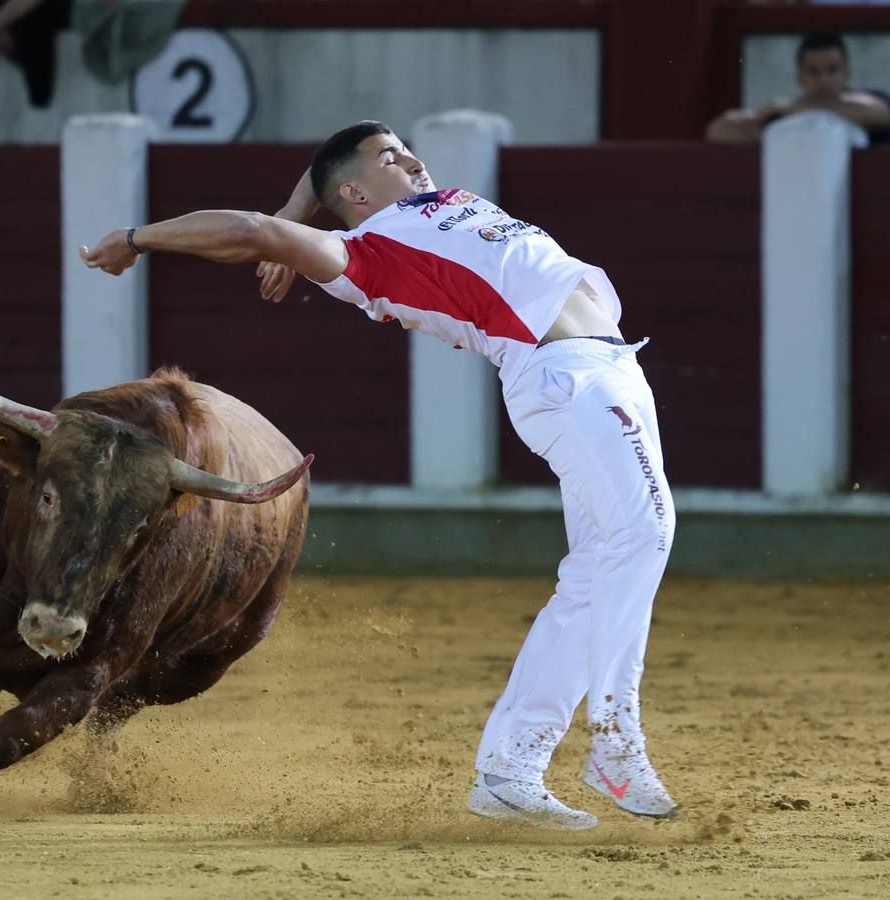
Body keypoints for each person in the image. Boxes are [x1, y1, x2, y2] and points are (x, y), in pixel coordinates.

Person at [80, 120, 678, 831]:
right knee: (644, 532)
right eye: (393, 157)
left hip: (609, 369)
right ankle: (615, 738)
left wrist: (295, 209)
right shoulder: (359, 254)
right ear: (357, 192)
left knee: (596, 574)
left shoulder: (421, 203)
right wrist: (140, 238)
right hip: (566, 379)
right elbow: (248, 228)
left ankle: (513, 767)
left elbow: (325, 165)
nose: (415, 159)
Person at [705, 31, 890, 144]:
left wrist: (796, 112)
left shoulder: (869, 102)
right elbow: (719, 129)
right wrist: (773, 136)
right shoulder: (784, 112)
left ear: (847, 72)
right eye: (813, 71)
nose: (823, 80)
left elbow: (879, 114)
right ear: (799, 76)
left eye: (832, 70)